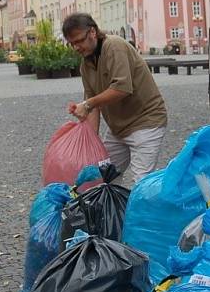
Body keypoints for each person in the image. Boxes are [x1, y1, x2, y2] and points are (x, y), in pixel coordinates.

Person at [63, 13, 167, 183]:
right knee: (104, 177)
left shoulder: (114, 46)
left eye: (79, 41)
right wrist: (90, 143)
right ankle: (115, 210)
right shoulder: (86, 64)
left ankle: (147, 209)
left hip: (146, 121)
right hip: (118, 129)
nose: (76, 47)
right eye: (72, 43)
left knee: (142, 183)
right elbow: (93, 106)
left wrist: (88, 104)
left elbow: (122, 89)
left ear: (92, 32)